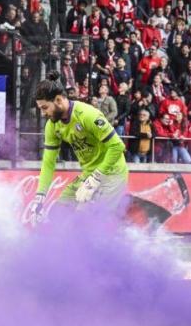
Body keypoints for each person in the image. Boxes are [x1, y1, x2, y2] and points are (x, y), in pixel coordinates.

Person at [30, 71, 128, 223]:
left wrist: (96, 178)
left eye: (44, 108)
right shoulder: (52, 126)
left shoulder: (87, 115)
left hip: (112, 174)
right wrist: (40, 196)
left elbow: (117, 146)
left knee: (83, 223)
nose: (43, 113)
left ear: (58, 100)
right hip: (88, 175)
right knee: (58, 214)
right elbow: (48, 163)